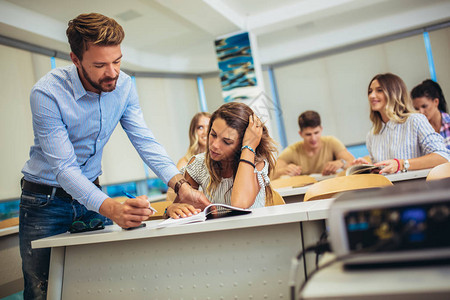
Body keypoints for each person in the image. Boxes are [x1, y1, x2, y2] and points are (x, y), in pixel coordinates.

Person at [19, 13, 208, 300]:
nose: (112, 72)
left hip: (91, 193)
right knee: (42, 292)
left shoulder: (125, 86)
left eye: (117, 61)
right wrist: (111, 208)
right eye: (100, 64)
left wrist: (181, 185)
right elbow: (64, 168)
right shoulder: (47, 94)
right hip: (44, 202)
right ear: (75, 59)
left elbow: (144, 140)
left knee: (103, 283)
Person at [165, 102, 278, 219]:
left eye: (227, 141)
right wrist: (171, 209)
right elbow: (180, 207)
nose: (214, 145)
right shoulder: (199, 164)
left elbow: (240, 203)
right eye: (213, 134)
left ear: (242, 143)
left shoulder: (257, 164)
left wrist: (249, 147)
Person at [353, 73, 449, 174]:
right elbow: (383, 172)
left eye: (379, 90)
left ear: (394, 93)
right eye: (370, 91)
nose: (372, 95)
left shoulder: (415, 120)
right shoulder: (372, 135)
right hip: (388, 189)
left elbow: (442, 157)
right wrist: (369, 168)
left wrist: (401, 164)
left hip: (418, 188)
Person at [272, 110, 355, 179]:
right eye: (308, 134)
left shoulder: (332, 142)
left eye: (316, 132)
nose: (313, 138)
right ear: (300, 134)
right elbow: (270, 174)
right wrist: (283, 171)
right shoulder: (292, 150)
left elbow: (354, 164)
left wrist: (342, 163)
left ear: (321, 129)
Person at [411, 79, 450, 149]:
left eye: (424, 106)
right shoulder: (417, 130)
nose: (421, 112)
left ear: (436, 102)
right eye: (416, 109)